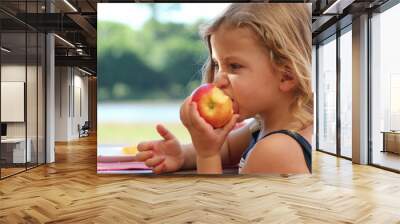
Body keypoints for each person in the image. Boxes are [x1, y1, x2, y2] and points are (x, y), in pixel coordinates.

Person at [136, 3, 313, 174]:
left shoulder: (276, 151)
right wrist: (182, 156)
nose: (218, 79)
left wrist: (207, 156)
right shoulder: (261, 127)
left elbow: (217, 203)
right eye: (216, 64)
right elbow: (227, 150)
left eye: (234, 66)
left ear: (286, 76)